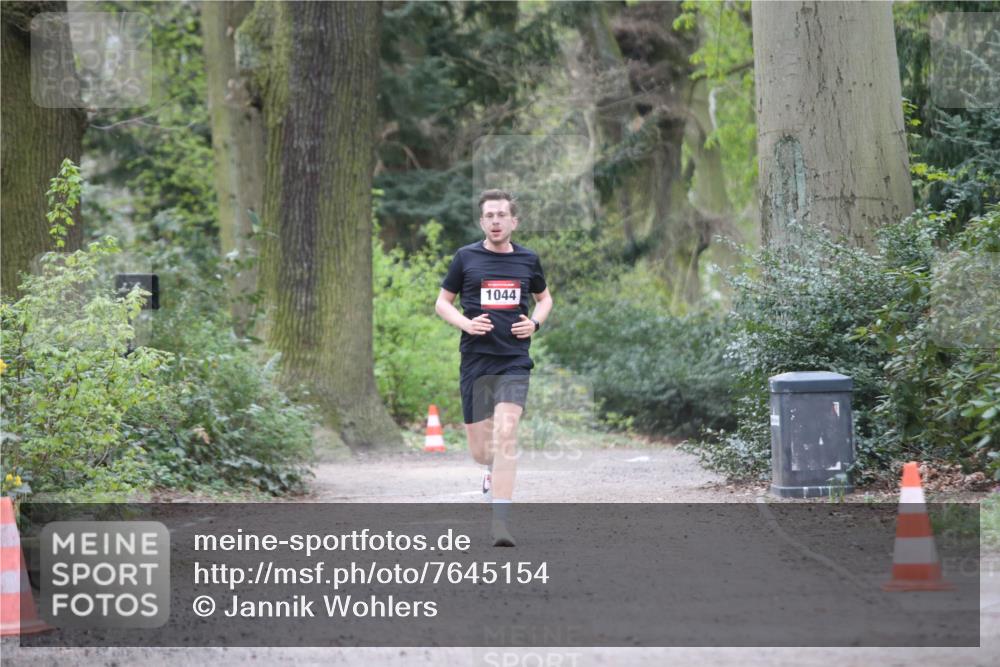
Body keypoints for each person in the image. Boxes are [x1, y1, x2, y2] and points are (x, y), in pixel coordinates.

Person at [435, 189, 553, 547]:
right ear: (482, 221)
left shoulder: (528, 260)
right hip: (476, 359)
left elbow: (544, 298)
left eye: (502, 215)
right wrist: (466, 324)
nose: (496, 221)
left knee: (506, 434)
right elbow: (442, 303)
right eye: (489, 216)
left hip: (514, 358)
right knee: (481, 450)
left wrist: (534, 324)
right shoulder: (465, 258)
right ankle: (488, 471)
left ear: (513, 221)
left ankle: (500, 522)